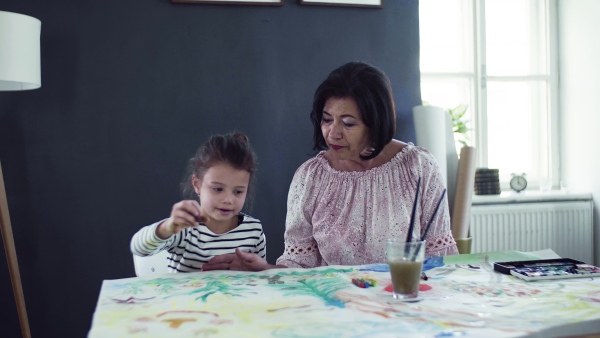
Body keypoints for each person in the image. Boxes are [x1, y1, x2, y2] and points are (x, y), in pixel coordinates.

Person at [202, 61, 458, 272]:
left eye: (348, 123)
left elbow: (441, 259)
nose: (332, 133)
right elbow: (299, 267)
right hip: (334, 310)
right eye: (326, 120)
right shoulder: (310, 178)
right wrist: (263, 269)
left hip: (404, 306)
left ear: (376, 122)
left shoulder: (419, 168)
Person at [130, 132, 266, 272]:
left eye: (238, 192)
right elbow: (138, 248)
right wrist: (166, 228)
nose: (228, 200)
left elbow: (261, 280)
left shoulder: (253, 230)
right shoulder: (184, 228)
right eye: (218, 189)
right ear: (197, 184)